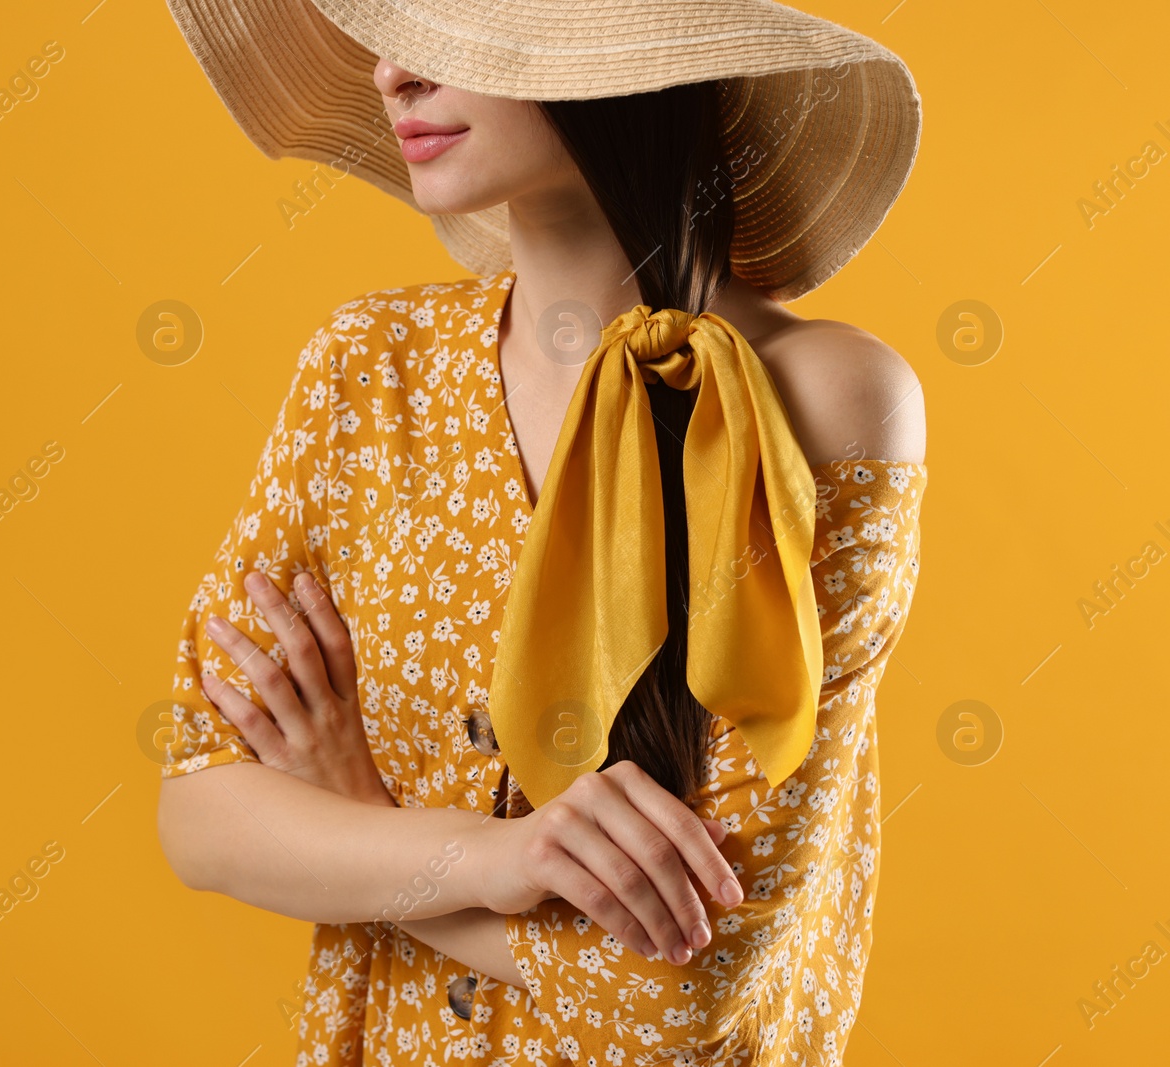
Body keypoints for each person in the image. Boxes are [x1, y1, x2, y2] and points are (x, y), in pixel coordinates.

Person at [156, 2, 928, 1063]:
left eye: (452, 32)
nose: (391, 74)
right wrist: (490, 857)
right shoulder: (365, 367)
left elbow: (681, 1004)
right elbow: (198, 811)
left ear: (629, 52)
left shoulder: (829, 398)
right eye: (396, 34)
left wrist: (357, 819)